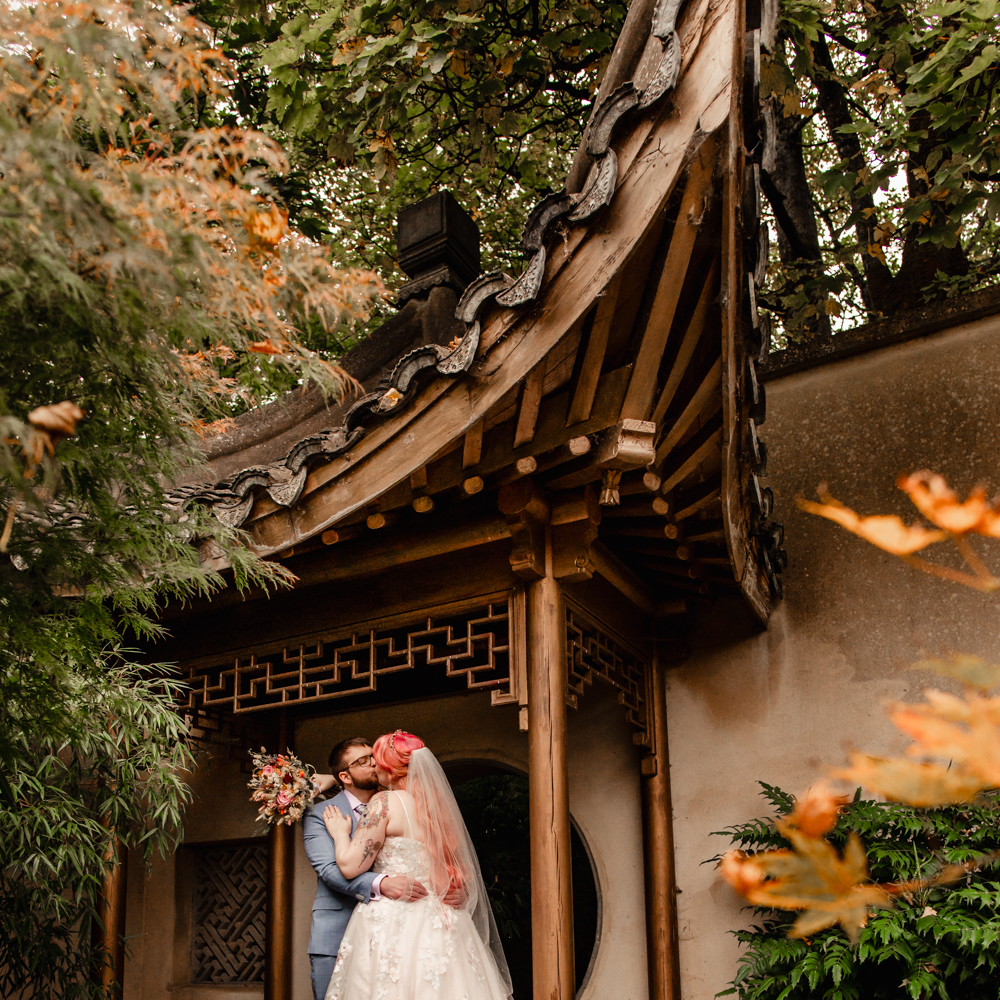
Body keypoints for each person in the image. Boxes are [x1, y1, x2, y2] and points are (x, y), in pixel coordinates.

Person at [321, 730, 513, 1000]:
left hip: (393, 920)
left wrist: (340, 834)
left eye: (375, 759)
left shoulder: (384, 803)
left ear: (388, 768)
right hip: (442, 920)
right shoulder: (437, 809)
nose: (373, 766)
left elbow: (351, 867)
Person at [303, 738, 430, 1000]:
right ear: (344, 776)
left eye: (373, 757)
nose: (373, 763)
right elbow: (328, 870)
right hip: (336, 931)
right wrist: (380, 883)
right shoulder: (321, 812)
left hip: (398, 928)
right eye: (363, 761)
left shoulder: (397, 803)